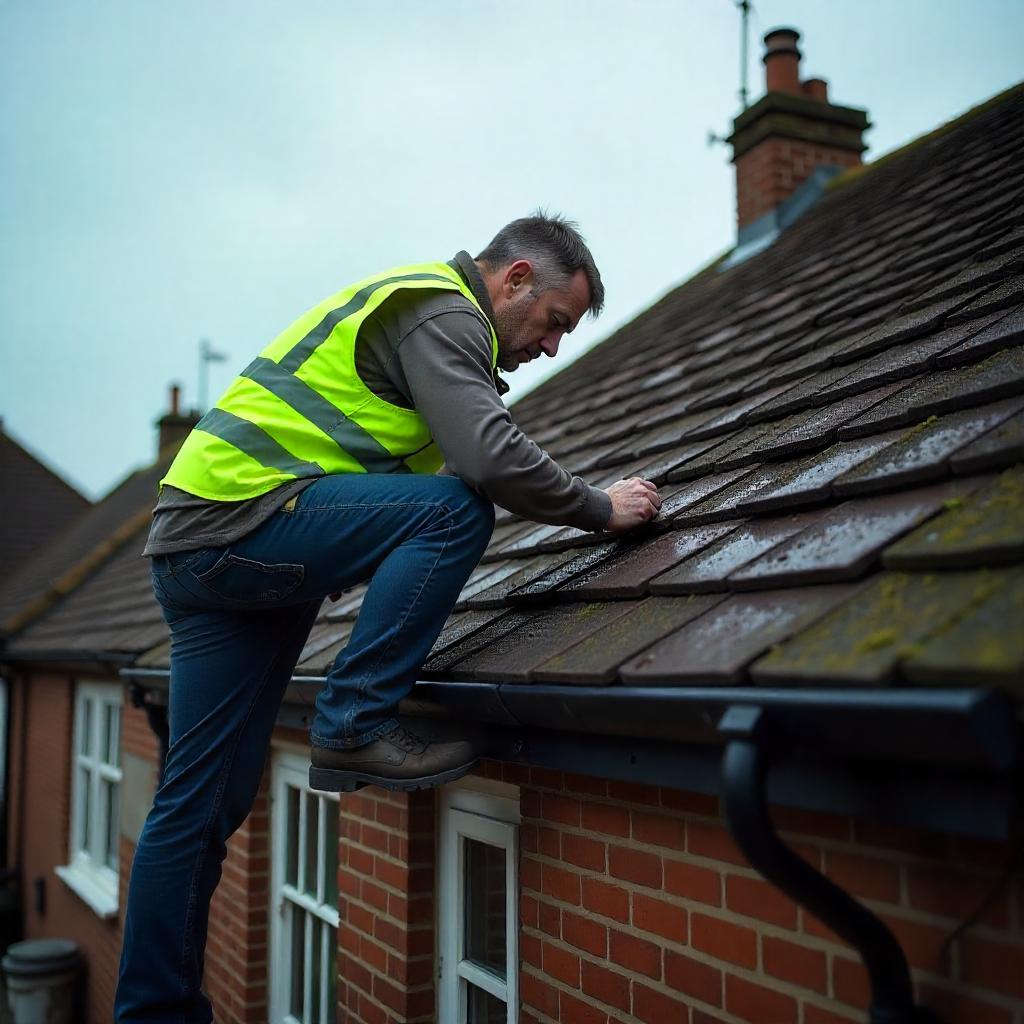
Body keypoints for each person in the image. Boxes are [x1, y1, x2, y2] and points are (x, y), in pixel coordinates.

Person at [114, 213, 661, 1021]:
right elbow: (486, 459)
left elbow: (360, 474)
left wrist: (336, 550)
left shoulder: (425, 320)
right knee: (454, 511)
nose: (553, 348)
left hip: (203, 550)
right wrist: (597, 507)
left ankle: (156, 1011)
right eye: (553, 324)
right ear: (514, 279)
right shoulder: (442, 312)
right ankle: (354, 718)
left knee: (203, 803)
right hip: (233, 530)